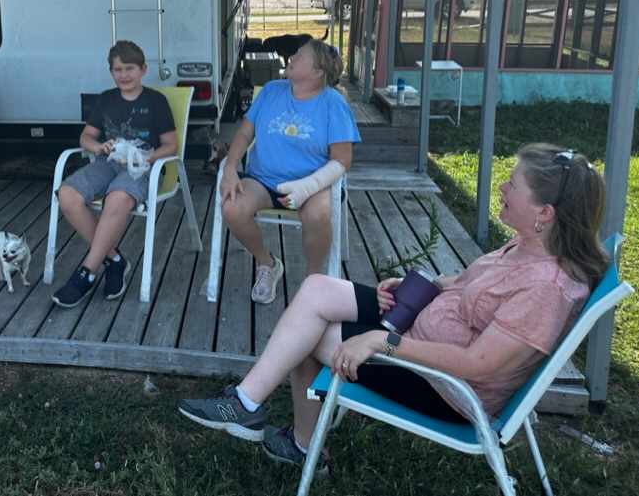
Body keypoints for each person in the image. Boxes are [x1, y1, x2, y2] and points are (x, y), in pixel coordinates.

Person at [178, 144, 607, 472]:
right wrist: (425, 285)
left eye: (513, 184)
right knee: (317, 290)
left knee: (306, 337)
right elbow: (469, 283)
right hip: (419, 327)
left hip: (444, 386)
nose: (503, 187)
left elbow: (479, 364)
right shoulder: (528, 245)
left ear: (545, 213)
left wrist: (384, 342)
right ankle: (249, 404)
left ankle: (296, 438)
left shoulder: (546, 288)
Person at [220, 40, 359, 304]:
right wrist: (229, 168)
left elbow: (342, 160)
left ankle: (313, 280)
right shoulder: (272, 90)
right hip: (264, 180)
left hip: (314, 184)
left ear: (318, 72)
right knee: (232, 207)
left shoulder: (333, 103)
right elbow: (244, 133)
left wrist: (306, 187)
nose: (291, 57)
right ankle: (267, 263)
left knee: (318, 214)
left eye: (299, 55)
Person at [53, 40, 177, 307]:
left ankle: (87, 272)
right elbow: (85, 137)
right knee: (67, 195)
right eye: (117, 69)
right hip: (106, 162)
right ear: (111, 72)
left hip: (142, 165)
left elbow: (171, 145)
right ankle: (115, 260)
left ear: (143, 70)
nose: (124, 75)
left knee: (117, 198)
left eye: (129, 68)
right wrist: (99, 146)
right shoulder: (106, 99)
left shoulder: (156, 101)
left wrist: (147, 156)